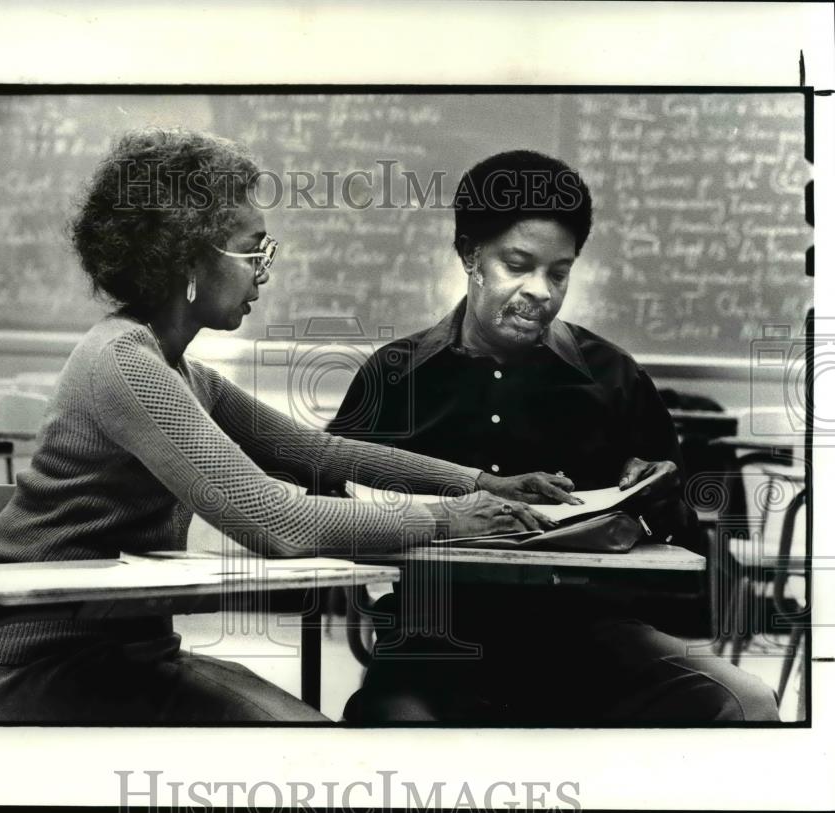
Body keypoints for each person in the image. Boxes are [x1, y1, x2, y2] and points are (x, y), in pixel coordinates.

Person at [0, 129, 562, 723]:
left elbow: (316, 452)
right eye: (250, 249)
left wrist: (480, 482)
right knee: (309, 751)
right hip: (26, 662)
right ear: (184, 256)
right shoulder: (124, 361)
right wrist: (450, 519)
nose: (263, 270)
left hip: (123, 656)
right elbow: (278, 522)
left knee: (306, 740)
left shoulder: (182, 372)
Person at [329, 149, 780, 723]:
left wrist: (664, 503)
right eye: (517, 265)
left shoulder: (612, 376)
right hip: (434, 640)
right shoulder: (394, 376)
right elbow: (323, 499)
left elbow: (696, 567)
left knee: (743, 701)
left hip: (591, 638)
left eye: (558, 272)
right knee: (397, 729)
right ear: (470, 255)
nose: (540, 290)